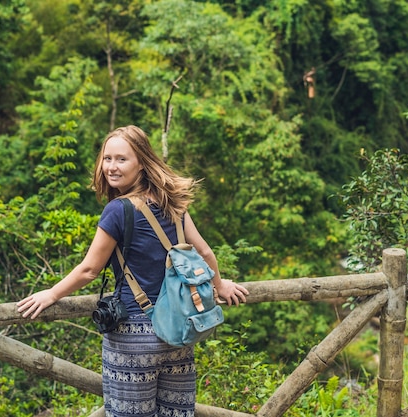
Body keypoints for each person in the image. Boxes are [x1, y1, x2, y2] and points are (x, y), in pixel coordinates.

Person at [17, 125, 249, 417]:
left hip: (133, 337)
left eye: (121, 159)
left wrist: (51, 293)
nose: (111, 167)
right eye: (107, 158)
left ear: (141, 162)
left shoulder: (118, 210)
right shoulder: (171, 201)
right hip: (177, 333)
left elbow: (89, 269)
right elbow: (203, 252)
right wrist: (220, 285)